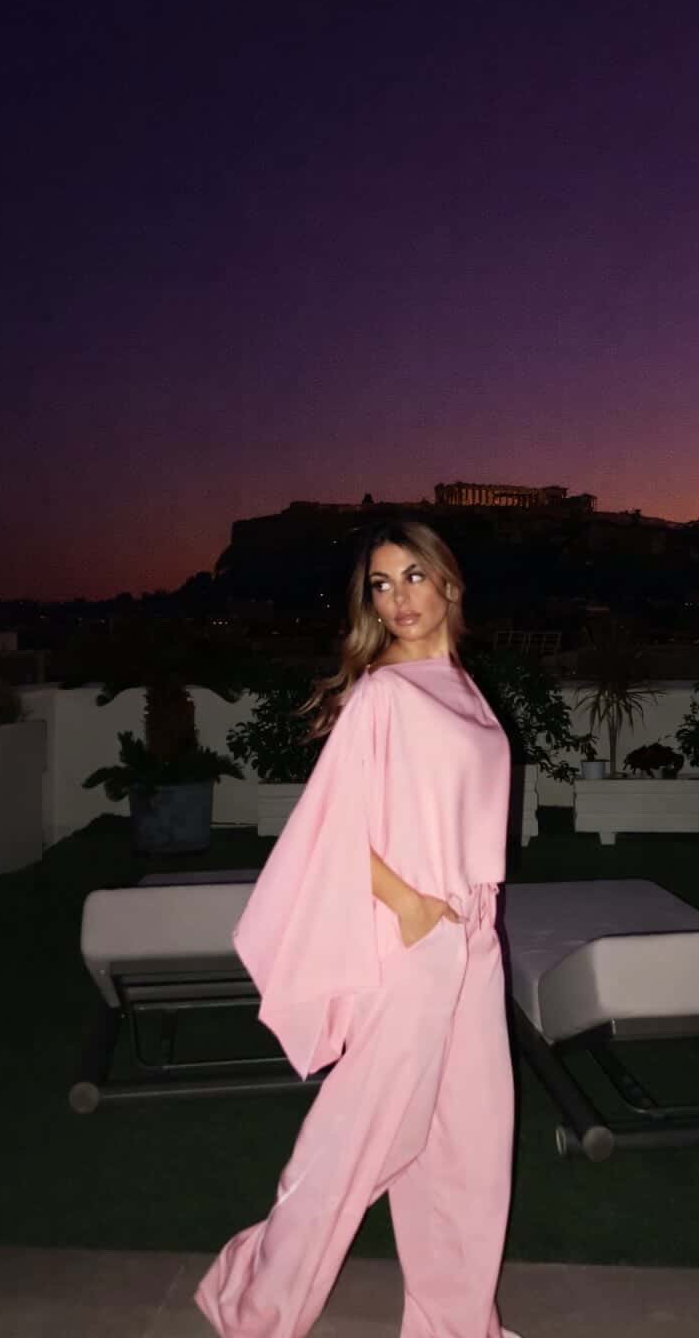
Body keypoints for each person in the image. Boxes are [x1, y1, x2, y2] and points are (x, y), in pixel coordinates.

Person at [195, 519, 521, 1338]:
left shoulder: (462, 687)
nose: (398, 597)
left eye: (413, 576)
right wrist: (411, 906)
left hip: (478, 938)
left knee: (472, 1149)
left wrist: (466, 926)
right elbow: (328, 829)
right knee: (355, 1145)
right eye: (381, 583)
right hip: (416, 940)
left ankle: (455, 1327)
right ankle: (258, 1308)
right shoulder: (384, 694)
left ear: (448, 583)